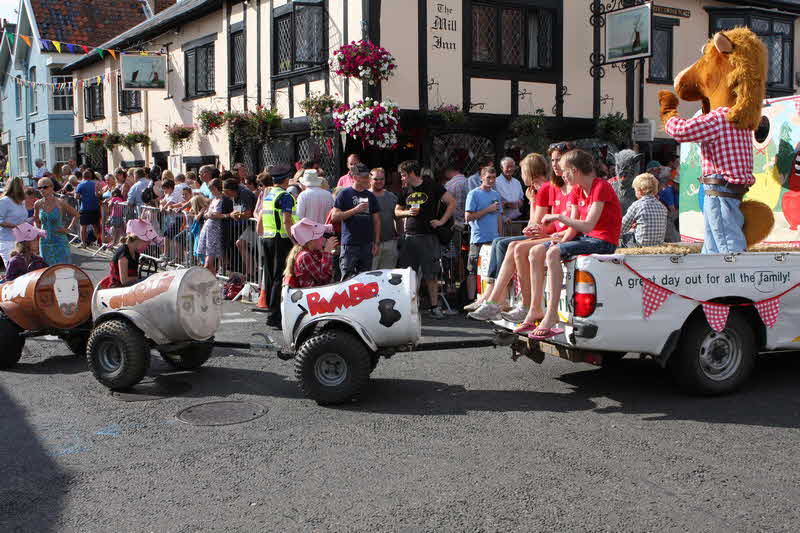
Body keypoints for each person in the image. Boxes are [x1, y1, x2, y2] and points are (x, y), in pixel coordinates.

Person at [528, 149, 622, 340]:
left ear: (575, 170)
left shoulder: (600, 187)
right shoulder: (578, 190)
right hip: (586, 239)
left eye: (564, 171)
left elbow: (588, 225)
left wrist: (557, 217)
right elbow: (573, 228)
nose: (561, 175)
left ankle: (552, 313)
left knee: (553, 253)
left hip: (603, 241)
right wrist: (558, 240)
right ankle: (535, 308)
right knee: (537, 251)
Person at [466, 153, 555, 320]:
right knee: (501, 242)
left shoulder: (543, 189)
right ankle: (494, 297)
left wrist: (533, 202)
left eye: (522, 171)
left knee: (509, 245)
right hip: (543, 233)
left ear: (529, 171)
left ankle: (497, 298)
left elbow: (534, 223)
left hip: (547, 235)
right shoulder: (537, 189)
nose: (520, 176)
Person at [396, 160, 456, 319]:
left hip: (429, 236)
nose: (401, 178)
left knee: (431, 274)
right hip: (409, 236)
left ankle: (434, 307)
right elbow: (397, 211)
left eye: (403, 175)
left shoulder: (432, 186)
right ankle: (411, 307)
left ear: (410, 174)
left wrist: (442, 221)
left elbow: (451, 202)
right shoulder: (405, 190)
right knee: (409, 275)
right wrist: (408, 213)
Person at [258, 165, 297, 328]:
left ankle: (270, 313)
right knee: (278, 277)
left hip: (268, 238)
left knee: (269, 276)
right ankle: (276, 315)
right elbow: (287, 221)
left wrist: (261, 233)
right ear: (286, 179)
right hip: (281, 239)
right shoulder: (285, 196)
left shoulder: (269, 195)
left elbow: (260, 218)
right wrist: (295, 240)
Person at [331, 163, 381, 279]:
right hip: (349, 244)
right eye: (364, 177)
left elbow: (377, 220)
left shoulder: (370, 196)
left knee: (366, 279)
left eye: (367, 177)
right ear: (355, 177)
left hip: (367, 244)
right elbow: (334, 217)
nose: (367, 179)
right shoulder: (344, 194)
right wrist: (355, 210)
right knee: (347, 279)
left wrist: (376, 242)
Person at [464, 166, 503, 300]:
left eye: (493, 178)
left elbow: (499, 216)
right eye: (488, 178)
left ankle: (488, 299)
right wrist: (487, 209)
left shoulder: (496, 194)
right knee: (473, 270)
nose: (491, 181)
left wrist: (501, 236)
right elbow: (467, 217)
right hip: (478, 238)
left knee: (492, 271)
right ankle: (471, 300)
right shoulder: (473, 194)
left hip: (494, 239)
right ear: (481, 178)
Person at [99, 219, 163, 289]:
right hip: (118, 288)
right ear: (137, 239)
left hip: (130, 287)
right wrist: (144, 278)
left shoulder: (136, 253)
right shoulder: (123, 253)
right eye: (147, 243)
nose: (147, 247)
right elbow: (124, 280)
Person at [33, 177, 78, 265]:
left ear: (51, 187)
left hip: (59, 240)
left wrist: (68, 229)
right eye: (39, 188)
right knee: (47, 270)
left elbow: (76, 215)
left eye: (45, 187)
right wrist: (38, 230)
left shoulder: (60, 202)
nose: (42, 190)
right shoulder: (37, 204)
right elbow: (36, 220)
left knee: (63, 268)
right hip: (45, 241)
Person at [284, 218, 339, 288]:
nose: (323, 239)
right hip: (313, 295)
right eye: (320, 236)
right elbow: (324, 279)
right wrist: (327, 253)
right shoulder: (305, 256)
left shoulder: (313, 253)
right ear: (311, 241)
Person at [620, 173, 668, 248]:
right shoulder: (662, 207)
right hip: (658, 245)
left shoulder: (637, 205)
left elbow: (622, 227)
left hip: (640, 245)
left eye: (635, 190)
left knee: (625, 237)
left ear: (640, 191)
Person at [196, 178, 233, 275]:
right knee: (207, 259)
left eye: (212, 189)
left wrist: (216, 215)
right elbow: (208, 212)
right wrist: (207, 214)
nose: (211, 192)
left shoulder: (224, 199)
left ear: (217, 188)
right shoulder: (214, 199)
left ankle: (212, 280)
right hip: (208, 228)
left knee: (209, 262)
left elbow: (227, 214)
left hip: (216, 230)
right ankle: (213, 281)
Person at [370, 167, 399, 269]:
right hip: (371, 244)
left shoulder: (392, 197)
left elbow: (397, 218)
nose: (379, 181)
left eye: (381, 179)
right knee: (370, 278)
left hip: (390, 242)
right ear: (370, 179)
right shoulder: (365, 196)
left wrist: (400, 237)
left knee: (388, 278)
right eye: (376, 179)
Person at [0, 177, 31, 269]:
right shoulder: (4, 201)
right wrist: (14, 226)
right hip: (7, 240)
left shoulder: (20, 201)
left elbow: (22, 219)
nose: (24, 188)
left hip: (21, 240)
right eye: (22, 185)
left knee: (24, 268)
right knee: (13, 268)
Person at [75, 170, 102, 248]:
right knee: (95, 226)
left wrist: (83, 197)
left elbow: (76, 196)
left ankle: (83, 243)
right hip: (95, 208)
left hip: (85, 208)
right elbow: (100, 194)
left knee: (83, 227)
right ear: (91, 176)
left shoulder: (80, 184)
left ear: (83, 176)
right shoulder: (95, 184)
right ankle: (98, 242)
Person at [496, 157, 525, 224]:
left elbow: (521, 199)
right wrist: (508, 205)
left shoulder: (517, 182)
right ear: (501, 168)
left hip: (517, 220)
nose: (510, 169)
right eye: (507, 167)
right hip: (503, 221)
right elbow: (495, 202)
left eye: (512, 166)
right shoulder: (496, 182)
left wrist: (519, 203)